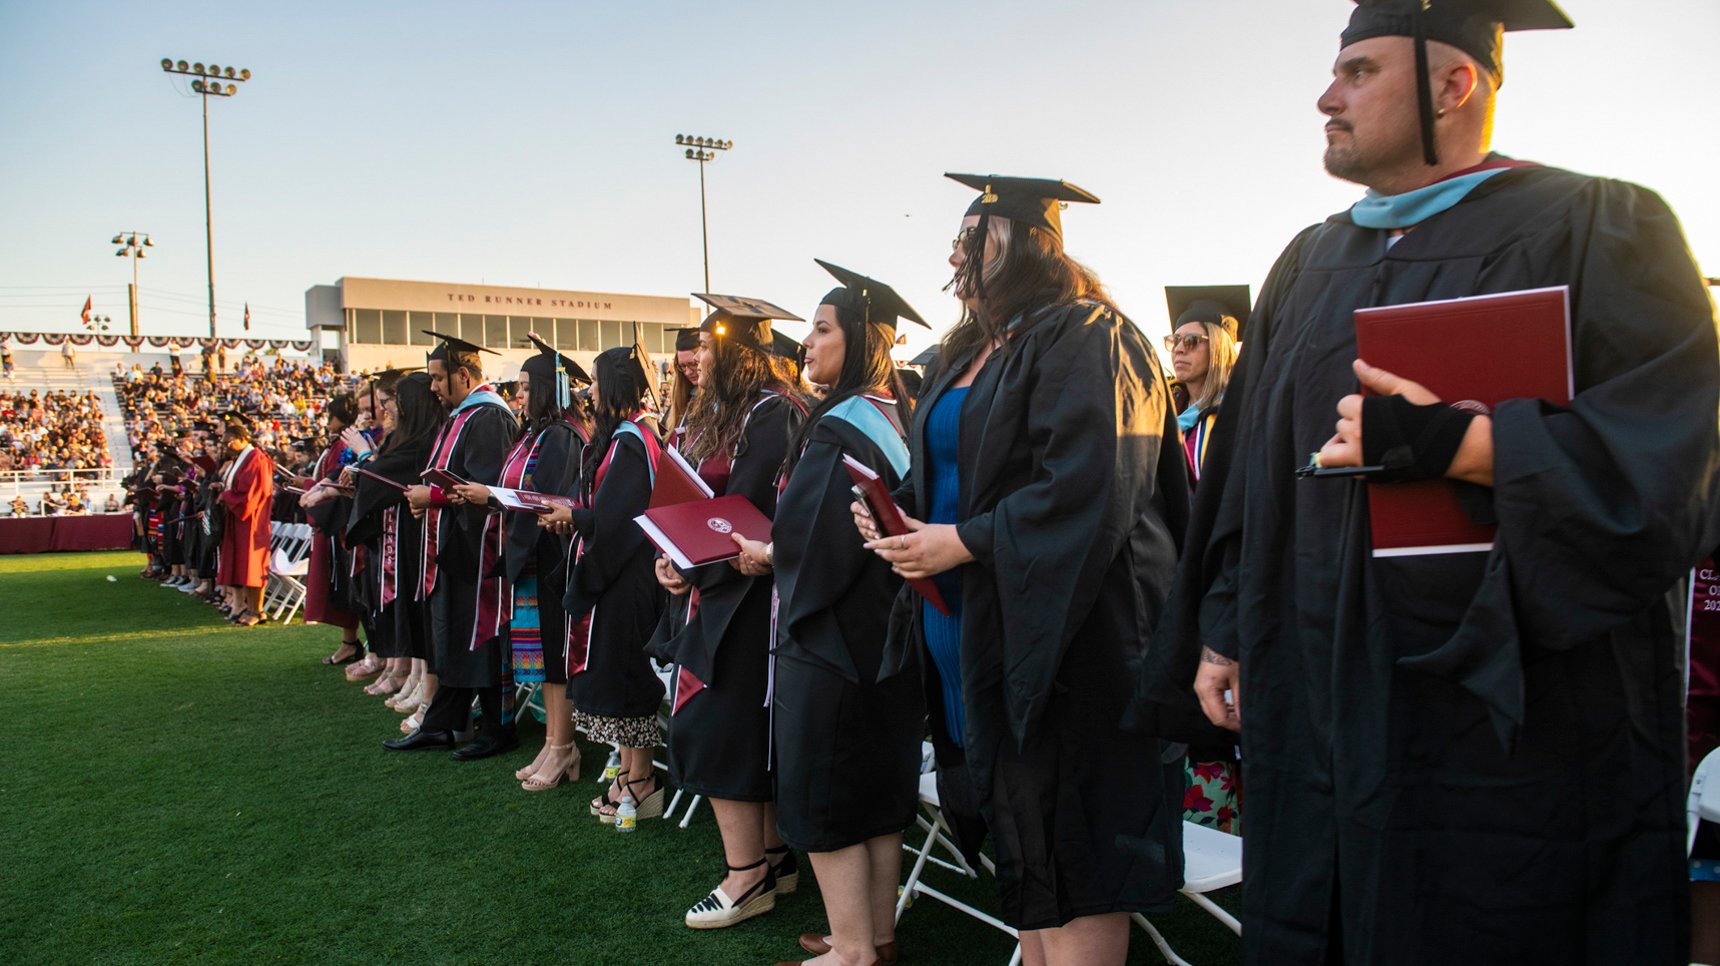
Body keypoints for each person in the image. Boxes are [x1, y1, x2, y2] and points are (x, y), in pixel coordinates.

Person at [1135, 2, 1720, 961]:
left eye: (1360, 71)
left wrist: (1462, 444)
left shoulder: (1599, 226)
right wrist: (1226, 629)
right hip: (1312, 695)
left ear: (1457, 84)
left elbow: (1677, 463)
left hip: (1501, 715)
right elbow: (1247, 475)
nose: (1327, 96)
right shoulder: (1307, 262)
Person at [857, 173, 1188, 966]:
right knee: (1029, 855)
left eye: (973, 237)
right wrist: (891, 508)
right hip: (980, 647)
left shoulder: (1093, 336)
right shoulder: (966, 348)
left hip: (1075, 651)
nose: (955, 252)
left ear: (1028, 244)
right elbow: (948, 468)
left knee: (1075, 857)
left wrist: (963, 541)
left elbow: (1090, 484)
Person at [730, 261, 925, 966]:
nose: (805, 343)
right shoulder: (900, 415)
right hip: (892, 640)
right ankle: (874, 937)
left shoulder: (840, 426)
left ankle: (850, 953)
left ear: (862, 340)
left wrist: (765, 555)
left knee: (830, 795)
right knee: (878, 795)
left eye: (820, 329)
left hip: (833, 641)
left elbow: (811, 540)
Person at [656, 293, 807, 929]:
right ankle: (772, 858)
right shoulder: (744, 410)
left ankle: (745, 877)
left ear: (740, 351)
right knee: (743, 729)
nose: (699, 357)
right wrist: (673, 555)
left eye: (711, 347)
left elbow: (743, 507)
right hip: (723, 589)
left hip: (752, 598)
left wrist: (689, 557)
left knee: (723, 728)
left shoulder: (773, 411)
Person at [450, 335, 591, 791]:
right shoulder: (534, 433)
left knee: (555, 657)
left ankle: (564, 746)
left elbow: (551, 500)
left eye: (528, 387)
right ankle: (553, 744)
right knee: (546, 659)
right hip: (530, 558)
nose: (519, 395)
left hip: (550, 558)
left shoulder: (562, 436)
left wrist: (490, 496)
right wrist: (491, 499)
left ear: (550, 389)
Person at [386, 331, 521, 759]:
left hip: (477, 548)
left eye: (439, 378)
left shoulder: (489, 418)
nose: (433, 387)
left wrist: (435, 497)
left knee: (477, 635)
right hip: (453, 547)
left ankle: (498, 729)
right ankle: (446, 723)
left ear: (464, 375)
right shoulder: (462, 415)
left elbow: (488, 485)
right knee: (453, 635)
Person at [546, 334, 666, 812]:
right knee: (618, 674)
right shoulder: (625, 438)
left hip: (629, 581)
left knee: (628, 678)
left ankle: (643, 779)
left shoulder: (634, 442)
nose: (589, 392)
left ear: (614, 386)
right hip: (621, 576)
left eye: (595, 382)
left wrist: (573, 517)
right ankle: (630, 770)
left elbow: (620, 521)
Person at [346, 371, 443, 732]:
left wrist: (365, 457)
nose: (387, 409)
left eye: (392, 403)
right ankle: (415, 677)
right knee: (410, 609)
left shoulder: (424, 441)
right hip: (402, 535)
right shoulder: (409, 438)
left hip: (419, 538)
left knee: (418, 609)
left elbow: (383, 477)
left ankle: (421, 682)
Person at [300, 395, 362, 664]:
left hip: (341, 524)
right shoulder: (336, 445)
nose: (328, 421)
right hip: (332, 524)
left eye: (332, 415)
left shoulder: (346, 445)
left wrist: (318, 489)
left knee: (347, 586)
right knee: (341, 588)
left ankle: (354, 643)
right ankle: (350, 642)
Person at [1163, 286, 1246, 486]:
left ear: (1218, 347)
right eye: (1175, 340)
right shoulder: (1163, 407)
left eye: (1192, 341)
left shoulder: (1240, 411)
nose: (1179, 349)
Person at [212, 412, 275, 627]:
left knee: (253, 565)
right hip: (239, 520)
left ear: (242, 439)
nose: (226, 446)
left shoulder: (257, 459)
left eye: (229, 442)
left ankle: (256, 610)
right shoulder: (242, 458)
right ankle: (248, 608)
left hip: (252, 521)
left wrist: (226, 496)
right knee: (242, 565)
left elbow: (252, 494)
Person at [663, 326, 702, 447]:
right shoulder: (679, 404)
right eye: (682, 366)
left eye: (693, 364)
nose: (688, 372)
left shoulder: (715, 403)